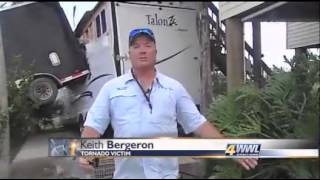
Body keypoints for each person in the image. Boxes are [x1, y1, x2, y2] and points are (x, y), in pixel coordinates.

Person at [80, 28, 258, 179]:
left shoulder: (174, 88)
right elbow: (93, 125)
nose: (143, 50)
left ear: (155, 52)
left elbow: (198, 123)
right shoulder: (112, 88)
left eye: (148, 46)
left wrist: (230, 149)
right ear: (129, 54)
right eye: (136, 46)